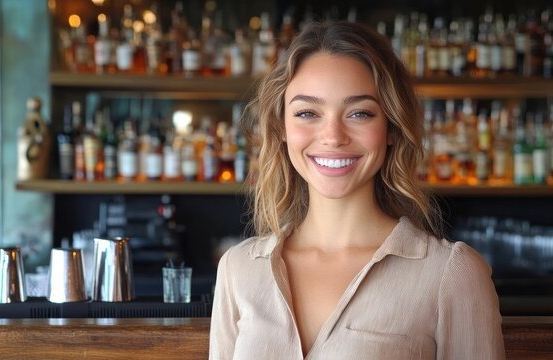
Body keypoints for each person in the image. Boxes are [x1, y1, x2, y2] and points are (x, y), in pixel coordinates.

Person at [209, 21, 505, 360]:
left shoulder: (450, 274)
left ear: (392, 127)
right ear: (281, 129)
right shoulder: (238, 270)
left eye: (360, 113)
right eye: (307, 113)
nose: (333, 136)